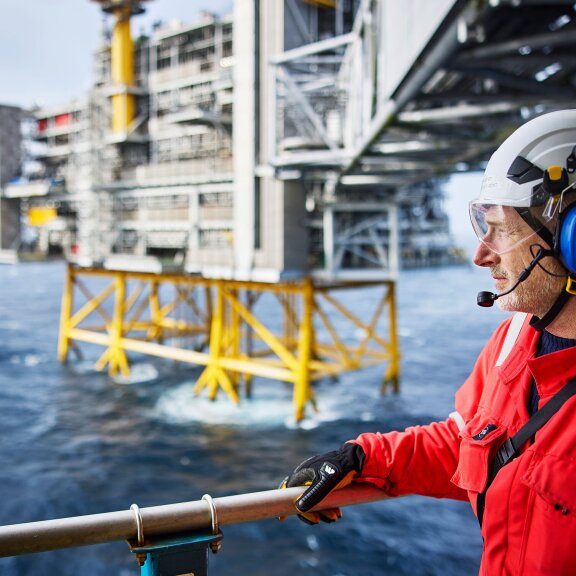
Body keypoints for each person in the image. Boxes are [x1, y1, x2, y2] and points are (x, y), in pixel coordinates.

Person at [280, 109, 576, 575]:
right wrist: (363, 456)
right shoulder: (513, 341)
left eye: (501, 230)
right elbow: (470, 444)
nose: (480, 255)